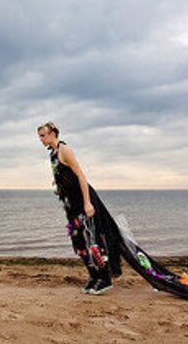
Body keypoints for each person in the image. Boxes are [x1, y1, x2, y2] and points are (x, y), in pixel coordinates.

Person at [37, 121, 123, 294]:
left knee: (93, 240)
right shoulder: (52, 154)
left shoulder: (64, 150)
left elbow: (81, 177)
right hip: (71, 205)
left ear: (53, 133)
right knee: (78, 240)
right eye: (39, 136)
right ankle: (93, 275)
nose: (40, 139)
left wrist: (87, 203)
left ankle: (105, 279)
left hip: (84, 200)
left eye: (43, 135)